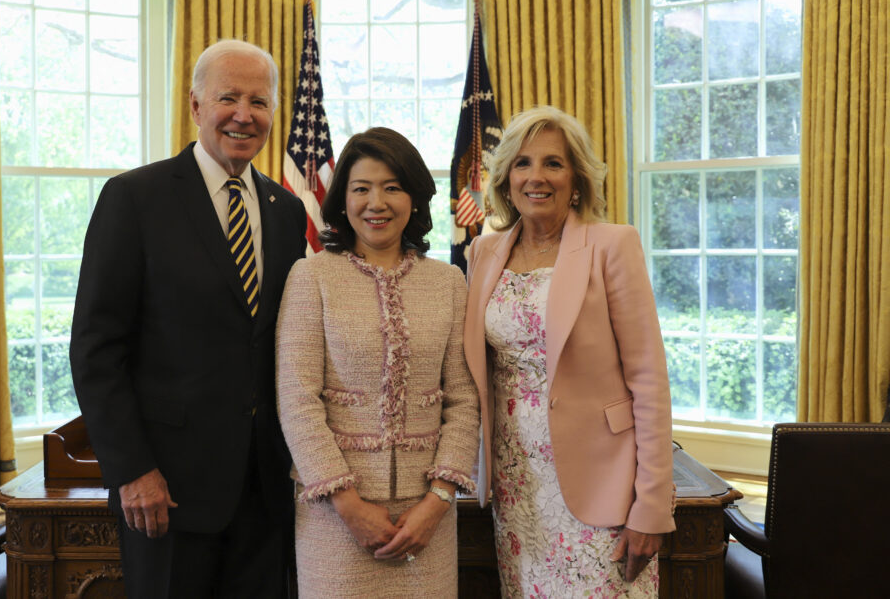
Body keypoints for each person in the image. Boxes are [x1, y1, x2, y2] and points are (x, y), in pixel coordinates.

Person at [70, 39, 307, 597]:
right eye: (229, 97)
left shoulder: (286, 211)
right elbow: (96, 348)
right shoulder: (134, 198)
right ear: (197, 106)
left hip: (266, 490)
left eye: (260, 101)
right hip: (165, 490)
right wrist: (131, 470)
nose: (245, 115)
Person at [462, 105, 675, 597]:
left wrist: (652, 504)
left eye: (553, 163)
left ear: (576, 177)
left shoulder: (612, 245)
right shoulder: (483, 253)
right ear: (506, 177)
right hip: (518, 491)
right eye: (522, 163)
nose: (536, 177)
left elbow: (650, 381)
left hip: (604, 488)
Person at [276, 127, 480, 598]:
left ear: (414, 197)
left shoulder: (448, 282)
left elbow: (465, 400)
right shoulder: (312, 276)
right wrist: (347, 504)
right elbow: (297, 399)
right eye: (361, 189)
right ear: (341, 200)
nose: (377, 203)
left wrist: (438, 501)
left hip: (427, 518)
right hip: (333, 516)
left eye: (392, 187)